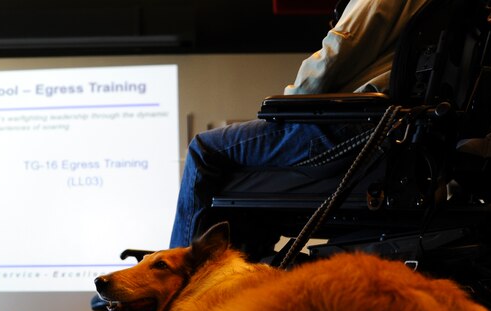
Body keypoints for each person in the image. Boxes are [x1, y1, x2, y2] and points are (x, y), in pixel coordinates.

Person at [169, 0, 431, 248]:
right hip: (379, 125)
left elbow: (339, 49)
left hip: (349, 125)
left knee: (203, 149)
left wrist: (293, 100)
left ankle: (177, 285)